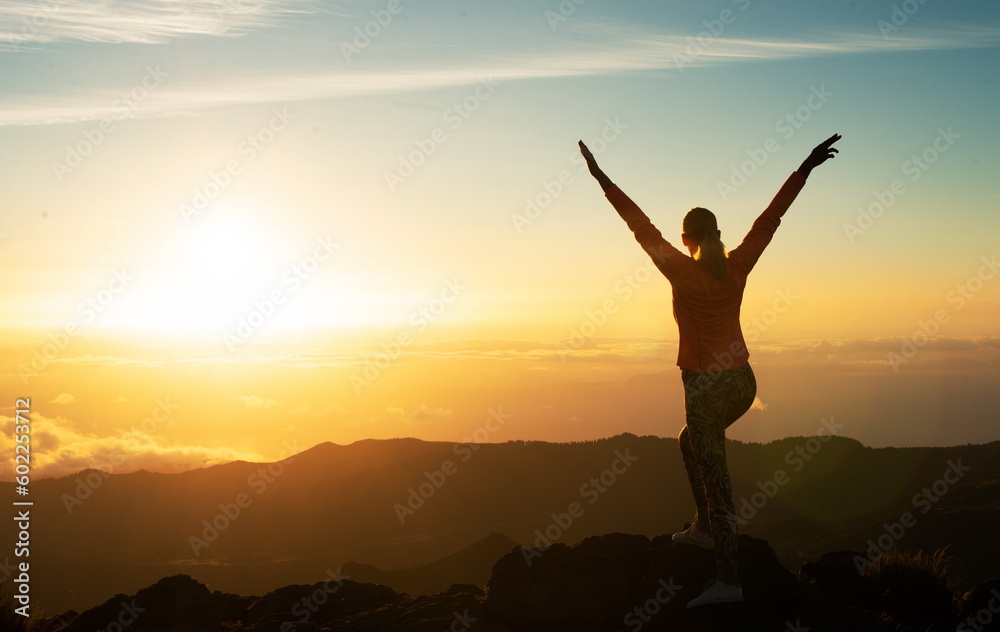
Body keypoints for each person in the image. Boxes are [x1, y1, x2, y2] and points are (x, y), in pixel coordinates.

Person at [579, 133, 841, 608]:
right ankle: (702, 528)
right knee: (688, 443)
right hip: (743, 383)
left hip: (704, 390)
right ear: (717, 233)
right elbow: (770, 219)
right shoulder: (738, 264)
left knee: (718, 480)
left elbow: (640, 227)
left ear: (686, 240)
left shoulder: (681, 270)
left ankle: (728, 578)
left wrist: (602, 179)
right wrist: (805, 167)